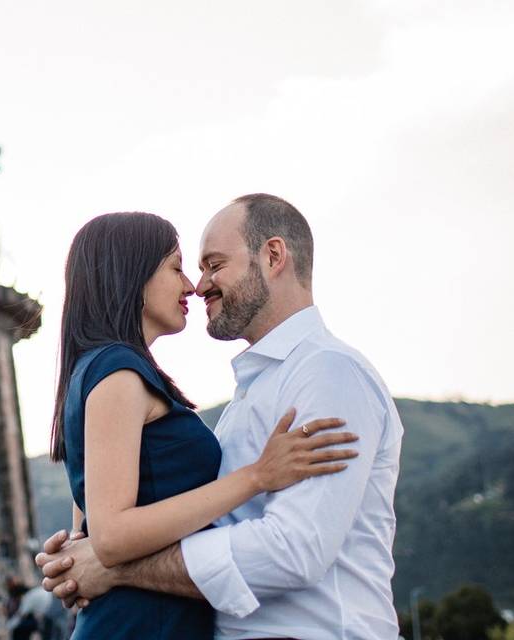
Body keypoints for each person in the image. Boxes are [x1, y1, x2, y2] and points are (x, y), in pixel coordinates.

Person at [38, 195, 404, 639]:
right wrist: (82, 551)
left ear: (272, 256)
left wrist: (115, 568)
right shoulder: (241, 399)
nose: (198, 284)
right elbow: (111, 515)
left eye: (213, 264)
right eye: (184, 267)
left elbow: (294, 550)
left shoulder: (329, 373)